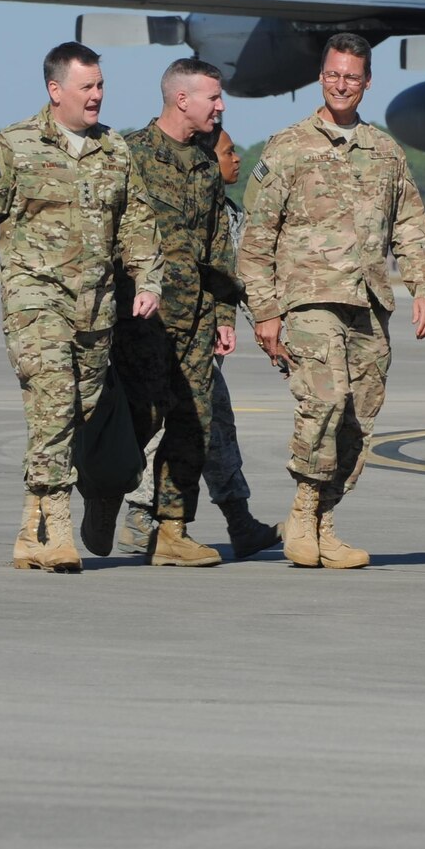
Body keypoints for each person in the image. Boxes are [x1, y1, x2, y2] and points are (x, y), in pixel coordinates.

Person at [0, 41, 163, 573]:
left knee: (79, 411)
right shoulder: (16, 146)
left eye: (100, 86)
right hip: (35, 300)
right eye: (86, 87)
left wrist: (147, 279)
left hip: (96, 309)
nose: (96, 97)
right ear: (55, 90)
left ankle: (30, 530)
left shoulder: (115, 150)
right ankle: (57, 528)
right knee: (53, 404)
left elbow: (137, 221)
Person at [238, 33, 425, 568]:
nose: (342, 85)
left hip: (369, 303)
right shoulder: (289, 147)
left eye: (352, 76)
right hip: (308, 299)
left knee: (359, 417)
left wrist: (423, 287)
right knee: (324, 402)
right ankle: (303, 512)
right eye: (333, 75)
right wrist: (263, 312)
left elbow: (411, 225)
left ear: (367, 82)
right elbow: (256, 236)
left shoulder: (384, 151)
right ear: (320, 77)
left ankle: (327, 522)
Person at [90, 58, 242, 567]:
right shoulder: (129, 154)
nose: (220, 108)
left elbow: (218, 244)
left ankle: (173, 532)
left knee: (191, 423)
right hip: (141, 320)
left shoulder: (204, 163)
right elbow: (105, 233)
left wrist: (224, 315)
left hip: (196, 320)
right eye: (213, 98)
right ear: (182, 100)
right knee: (136, 419)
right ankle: (105, 497)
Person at [115, 123, 280, 561]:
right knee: (166, 430)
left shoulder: (227, 212)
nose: (236, 160)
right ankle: (137, 519)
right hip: (169, 335)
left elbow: (233, 275)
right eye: (227, 152)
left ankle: (237, 521)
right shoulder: (177, 190)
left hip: (204, 336)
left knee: (213, 429)